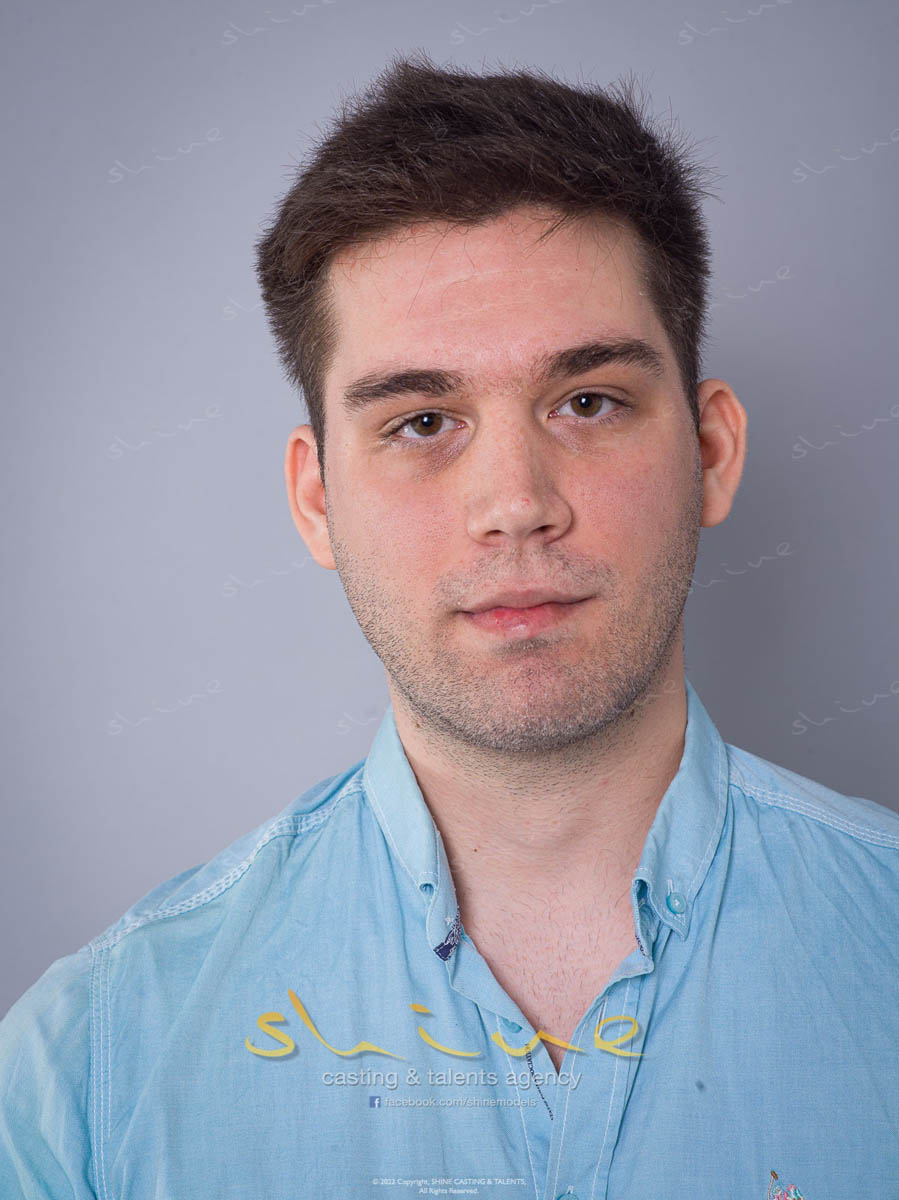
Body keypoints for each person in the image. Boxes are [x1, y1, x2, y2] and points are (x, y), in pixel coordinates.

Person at [2, 50, 897, 1200]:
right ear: (316, 500)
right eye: (422, 421)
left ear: (710, 452)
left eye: (587, 401)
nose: (515, 503)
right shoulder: (88, 1069)